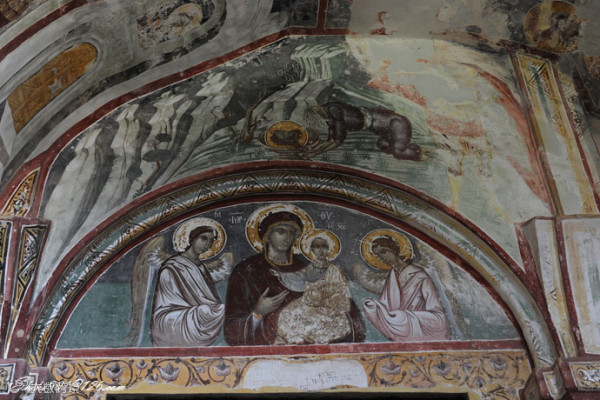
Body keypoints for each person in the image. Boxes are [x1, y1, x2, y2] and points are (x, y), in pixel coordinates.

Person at [224, 210, 307, 346]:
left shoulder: (305, 269)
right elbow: (231, 330)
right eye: (281, 231)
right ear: (267, 235)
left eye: (291, 233)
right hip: (263, 347)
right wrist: (258, 313)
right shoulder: (246, 271)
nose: (287, 237)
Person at [275, 231, 365, 344]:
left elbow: (341, 291)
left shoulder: (334, 269)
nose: (321, 250)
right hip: (308, 302)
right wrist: (281, 274)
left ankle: (311, 339)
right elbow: (296, 277)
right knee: (288, 312)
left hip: (329, 306)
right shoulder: (308, 268)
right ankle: (294, 338)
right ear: (312, 250)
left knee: (320, 319)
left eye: (324, 247)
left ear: (329, 250)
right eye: (317, 247)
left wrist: (324, 302)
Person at [362, 235, 449, 341]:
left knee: (401, 316)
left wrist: (406, 317)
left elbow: (438, 314)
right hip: (400, 326)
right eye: (377, 255)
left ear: (394, 250)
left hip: (419, 326)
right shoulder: (392, 276)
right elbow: (385, 305)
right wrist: (375, 307)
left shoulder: (419, 275)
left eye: (384, 251)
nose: (382, 258)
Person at [151, 223, 225, 347]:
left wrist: (210, 309)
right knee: (205, 310)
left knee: (220, 309)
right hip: (171, 318)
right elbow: (169, 302)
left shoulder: (202, 268)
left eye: (211, 241)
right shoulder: (173, 267)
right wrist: (201, 311)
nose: (207, 245)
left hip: (197, 314)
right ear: (192, 239)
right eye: (203, 239)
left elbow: (211, 299)